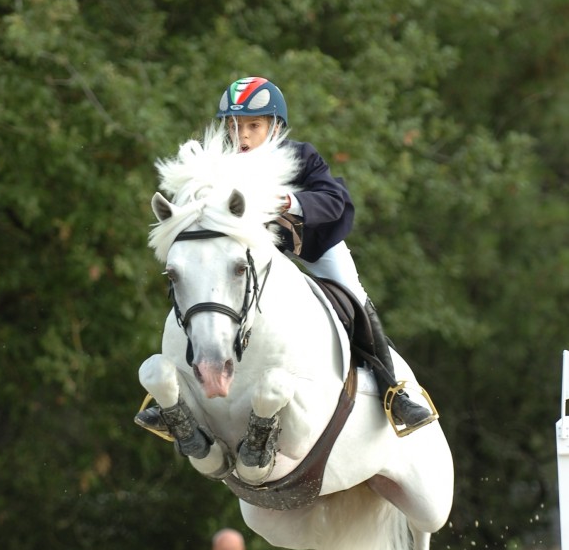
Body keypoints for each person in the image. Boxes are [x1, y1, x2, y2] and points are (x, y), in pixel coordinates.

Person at [136, 75, 435, 436]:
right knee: (198, 294)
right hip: (255, 261)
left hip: (312, 248)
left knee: (354, 295)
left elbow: (336, 200)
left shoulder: (300, 156)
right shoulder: (215, 169)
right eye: (234, 126)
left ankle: (393, 391)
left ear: (274, 126)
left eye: (253, 125)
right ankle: (171, 397)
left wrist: (290, 201)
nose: (242, 135)